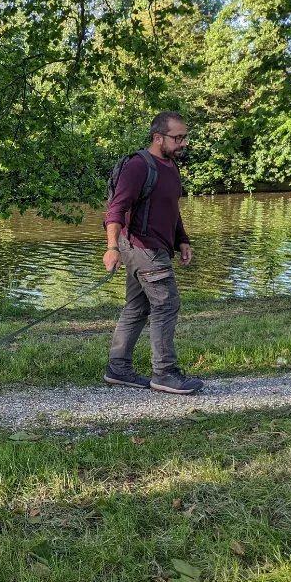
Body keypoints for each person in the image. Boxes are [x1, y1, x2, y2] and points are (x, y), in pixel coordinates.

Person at [102, 111, 204, 395]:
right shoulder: (138, 166)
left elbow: (170, 208)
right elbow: (116, 209)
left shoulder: (170, 166)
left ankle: (118, 368)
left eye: (185, 136)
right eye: (178, 137)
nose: (183, 142)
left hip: (155, 246)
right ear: (158, 137)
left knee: (137, 306)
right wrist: (112, 247)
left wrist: (181, 239)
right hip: (143, 248)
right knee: (166, 304)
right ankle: (165, 373)